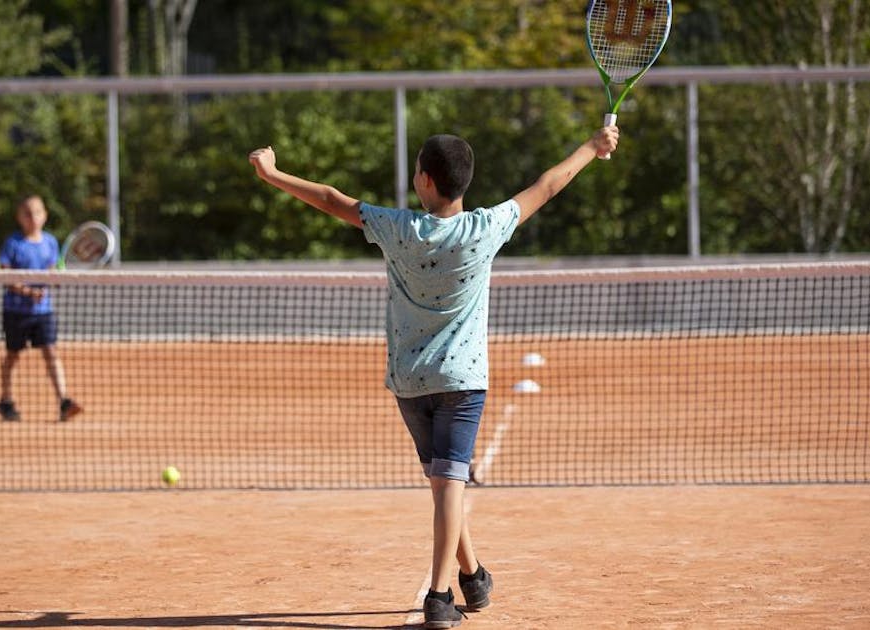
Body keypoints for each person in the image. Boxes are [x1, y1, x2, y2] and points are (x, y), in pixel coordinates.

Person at [249, 125, 619, 628]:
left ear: (425, 180)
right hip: (462, 381)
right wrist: (591, 148)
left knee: (445, 480)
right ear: (463, 183)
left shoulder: (397, 228)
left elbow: (332, 200)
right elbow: (548, 185)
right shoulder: (487, 228)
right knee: (448, 482)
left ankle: (472, 577)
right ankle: (440, 598)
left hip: (409, 380)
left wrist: (272, 175)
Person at [0, 195, 83, 423]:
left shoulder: (50, 242)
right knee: (13, 356)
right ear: (19, 217)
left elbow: (52, 272)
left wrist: (54, 281)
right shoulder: (12, 244)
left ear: (44, 215)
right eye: (27, 213)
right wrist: (28, 292)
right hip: (15, 311)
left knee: (51, 352)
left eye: (36, 212)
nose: (32, 218)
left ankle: (64, 401)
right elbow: (4, 276)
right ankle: (6, 401)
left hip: (43, 312)